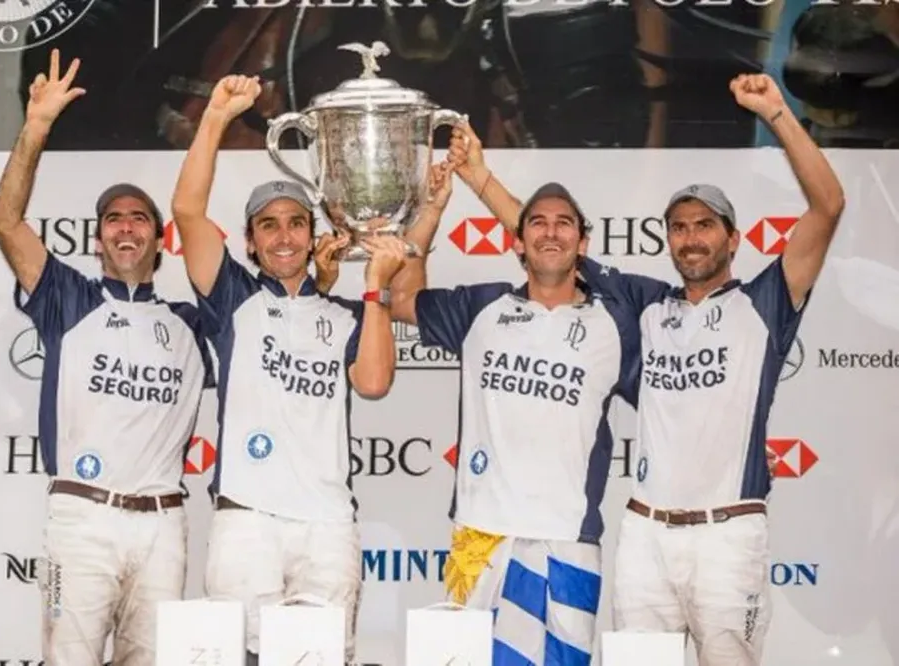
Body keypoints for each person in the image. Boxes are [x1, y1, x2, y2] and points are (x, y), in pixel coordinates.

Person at [448, 73, 845, 666]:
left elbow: (829, 205)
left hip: (727, 533)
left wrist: (777, 114)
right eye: (679, 227)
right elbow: (551, 243)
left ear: (732, 238)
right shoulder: (643, 305)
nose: (690, 238)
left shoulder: (763, 304)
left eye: (705, 225)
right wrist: (478, 178)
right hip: (645, 534)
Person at [170, 74, 407, 666]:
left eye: (295, 222)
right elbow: (186, 209)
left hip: (327, 524)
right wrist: (217, 117)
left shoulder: (348, 314)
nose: (283, 236)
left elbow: (374, 382)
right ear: (249, 242)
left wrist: (374, 286)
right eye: (267, 225)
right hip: (247, 520)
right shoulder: (234, 300)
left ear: (312, 234)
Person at [0, 50, 215, 666]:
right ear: (97, 239)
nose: (125, 228)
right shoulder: (69, 298)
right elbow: (6, 221)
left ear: (157, 239)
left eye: (138, 218)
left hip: (164, 524)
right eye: (112, 219)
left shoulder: (193, 323)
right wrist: (35, 128)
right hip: (83, 518)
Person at [387, 153, 643, 664]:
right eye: (538, 223)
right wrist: (434, 210)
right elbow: (400, 298)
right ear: (516, 242)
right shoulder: (483, 307)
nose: (551, 233)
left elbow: (670, 403)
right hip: (484, 538)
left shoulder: (617, 324)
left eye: (564, 223)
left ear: (583, 243)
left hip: (568, 544)